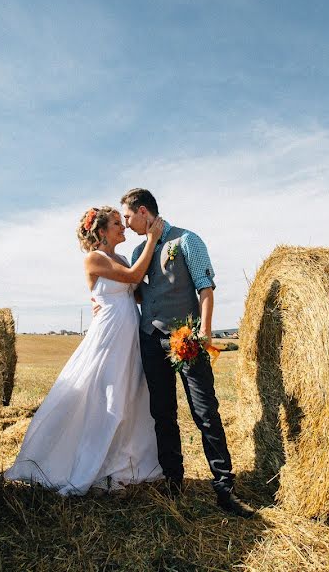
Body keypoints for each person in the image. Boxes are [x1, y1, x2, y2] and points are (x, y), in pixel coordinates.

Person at [4, 206, 165, 495]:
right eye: (117, 223)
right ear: (101, 231)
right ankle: (72, 462)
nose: (123, 227)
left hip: (129, 335)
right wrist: (152, 240)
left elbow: (137, 289)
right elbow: (131, 276)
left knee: (130, 395)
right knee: (104, 396)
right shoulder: (95, 258)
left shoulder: (123, 257)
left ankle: (119, 462)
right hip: (108, 336)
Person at [121, 188, 255, 518]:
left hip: (187, 339)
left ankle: (224, 487)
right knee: (162, 412)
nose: (125, 225)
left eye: (126, 217)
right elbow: (139, 293)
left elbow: (205, 289)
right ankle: (173, 481)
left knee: (205, 411)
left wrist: (204, 332)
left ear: (142, 211)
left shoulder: (187, 240)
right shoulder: (141, 249)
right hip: (151, 341)